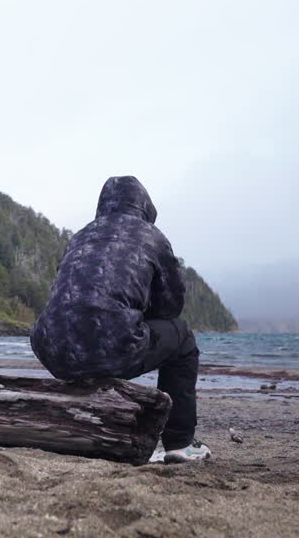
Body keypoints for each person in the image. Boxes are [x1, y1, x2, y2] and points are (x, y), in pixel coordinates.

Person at [30, 176, 210, 463]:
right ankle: (179, 443)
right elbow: (171, 306)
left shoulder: (80, 236)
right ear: (144, 206)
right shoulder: (152, 236)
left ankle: (88, 416)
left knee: (96, 340)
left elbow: (67, 294)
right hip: (112, 344)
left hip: (50, 347)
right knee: (183, 338)